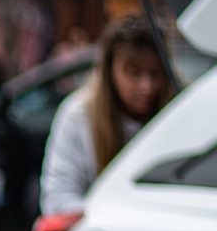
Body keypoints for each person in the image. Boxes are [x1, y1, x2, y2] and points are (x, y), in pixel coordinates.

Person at [40, 14, 168, 218]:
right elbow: (58, 199)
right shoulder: (78, 115)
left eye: (155, 73)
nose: (147, 87)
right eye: (134, 73)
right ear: (109, 71)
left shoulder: (178, 112)